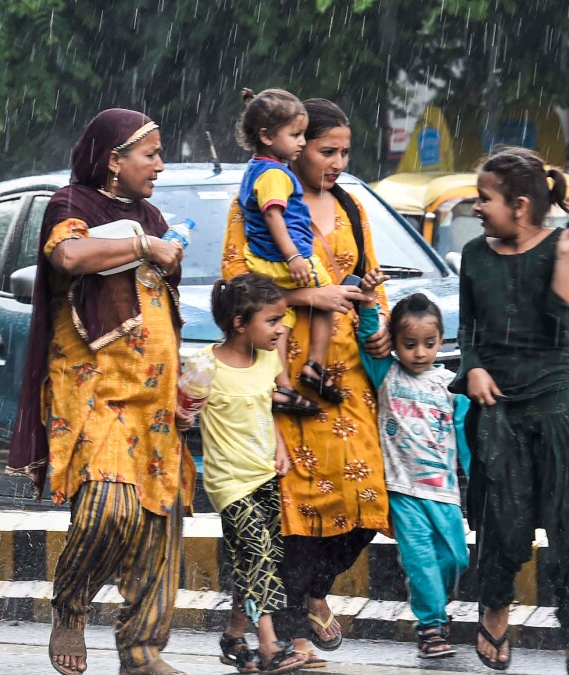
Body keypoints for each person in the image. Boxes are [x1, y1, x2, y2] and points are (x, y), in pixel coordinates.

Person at [7, 108, 195, 675]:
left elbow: (158, 302)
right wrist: (146, 247)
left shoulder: (153, 214)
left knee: (159, 522)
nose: (160, 165)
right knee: (109, 509)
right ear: (114, 161)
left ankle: (142, 650)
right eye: (150, 154)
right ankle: (71, 604)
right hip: (96, 392)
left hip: (156, 395)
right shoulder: (71, 206)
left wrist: (186, 380)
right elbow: (68, 257)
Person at [220, 98, 392, 669]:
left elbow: (368, 277)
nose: (337, 162)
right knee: (293, 511)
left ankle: (315, 591)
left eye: (345, 152)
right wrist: (305, 297)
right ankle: (292, 638)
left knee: (367, 506)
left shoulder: (349, 206)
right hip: (285, 375)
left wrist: (381, 323)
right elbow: (235, 293)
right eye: (325, 150)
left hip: (347, 386)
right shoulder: (257, 204)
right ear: (293, 147)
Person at [452, 146, 569, 674]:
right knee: (502, 522)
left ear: (519, 205)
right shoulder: (474, 255)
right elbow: (467, 327)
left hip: (556, 404)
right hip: (497, 409)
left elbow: (563, 322)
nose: (477, 208)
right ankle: (494, 611)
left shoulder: (559, 249)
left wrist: (567, 254)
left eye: (484, 199)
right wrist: (471, 367)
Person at [196, 273, 307, 675]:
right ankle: (270, 644)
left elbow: (269, 409)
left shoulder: (269, 360)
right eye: (273, 320)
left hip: (263, 475)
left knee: (256, 560)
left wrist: (280, 449)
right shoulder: (205, 365)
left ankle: (233, 636)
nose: (281, 328)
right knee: (259, 554)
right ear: (240, 324)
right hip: (229, 483)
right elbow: (182, 410)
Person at [355, 287, 472, 660]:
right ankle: (431, 626)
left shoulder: (450, 385)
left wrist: (475, 478)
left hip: (445, 492)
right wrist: (371, 306)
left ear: (440, 341)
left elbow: (466, 438)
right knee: (420, 560)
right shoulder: (386, 373)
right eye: (409, 344)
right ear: (394, 343)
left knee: (456, 558)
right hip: (403, 490)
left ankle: (435, 603)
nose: (419, 353)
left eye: (429, 343)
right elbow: (365, 339)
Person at [235, 87, 341, 414]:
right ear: (267, 136)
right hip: (286, 259)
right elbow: (273, 214)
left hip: (265, 262)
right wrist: (294, 256)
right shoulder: (273, 174)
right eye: (295, 135)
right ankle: (315, 366)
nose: (300, 142)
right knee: (329, 297)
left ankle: (282, 387)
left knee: (281, 321)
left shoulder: (255, 169)